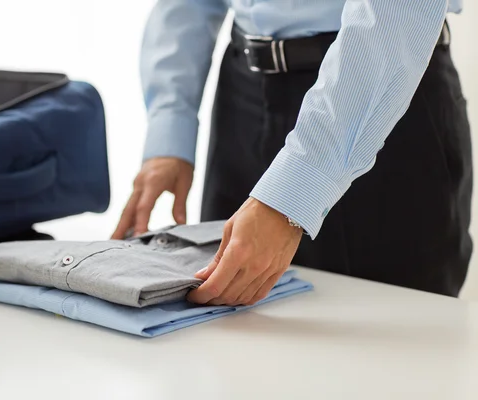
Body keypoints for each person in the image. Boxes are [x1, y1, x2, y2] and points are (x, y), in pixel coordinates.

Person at [113, 0, 472, 305]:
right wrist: (170, 127)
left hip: (378, 106)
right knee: (232, 355)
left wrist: (293, 196)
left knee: (388, 360)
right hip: (243, 100)